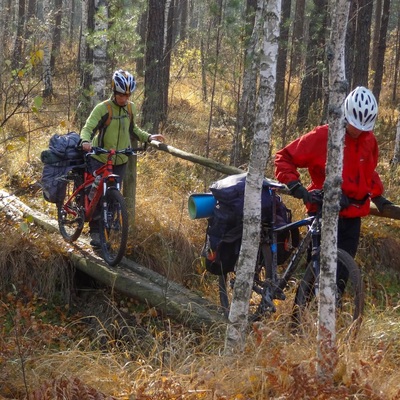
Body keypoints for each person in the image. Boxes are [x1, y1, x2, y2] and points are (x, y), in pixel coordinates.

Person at [274, 86, 392, 291]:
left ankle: (330, 319)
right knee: (315, 273)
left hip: (353, 216)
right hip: (323, 213)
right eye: (355, 125)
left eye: (364, 127)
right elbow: (284, 157)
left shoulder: (369, 140)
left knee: (341, 278)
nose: (358, 130)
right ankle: (297, 320)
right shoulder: (324, 136)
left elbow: (368, 171)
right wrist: (294, 185)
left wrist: (378, 195)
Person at [80, 69, 165, 247]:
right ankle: (95, 231)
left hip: (120, 159)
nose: (124, 99)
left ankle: (106, 233)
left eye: (127, 95)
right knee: (96, 193)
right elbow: (88, 127)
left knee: (112, 197)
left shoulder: (130, 108)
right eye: (121, 95)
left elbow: (134, 129)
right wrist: (85, 141)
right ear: (114, 91)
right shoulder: (103, 108)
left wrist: (149, 137)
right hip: (101, 157)